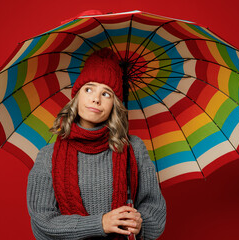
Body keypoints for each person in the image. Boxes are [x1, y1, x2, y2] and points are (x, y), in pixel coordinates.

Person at [26, 48, 166, 240]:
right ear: (77, 96)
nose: (96, 99)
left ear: (115, 104)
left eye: (106, 93)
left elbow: (154, 210)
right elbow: (43, 221)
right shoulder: (48, 156)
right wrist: (100, 224)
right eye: (89, 88)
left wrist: (139, 224)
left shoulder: (133, 148)